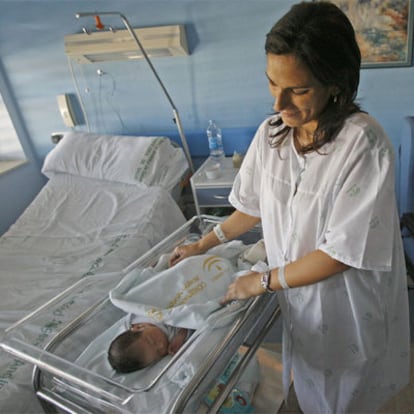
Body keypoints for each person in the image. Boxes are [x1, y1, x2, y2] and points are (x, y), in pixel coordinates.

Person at [169, 1, 410, 412]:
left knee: (349, 391)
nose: (280, 104)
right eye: (272, 84)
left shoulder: (362, 145)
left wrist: (262, 282)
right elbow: (252, 206)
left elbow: (341, 254)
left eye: (298, 90)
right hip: (295, 291)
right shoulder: (273, 135)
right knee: (310, 374)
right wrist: (202, 245)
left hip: (345, 301)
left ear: (335, 82)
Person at [108, 316, 191, 373]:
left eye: (153, 341)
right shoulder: (171, 336)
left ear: (138, 327)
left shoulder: (135, 316)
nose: (161, 345)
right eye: (158, 353)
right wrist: (181, 336)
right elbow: (187, 320)